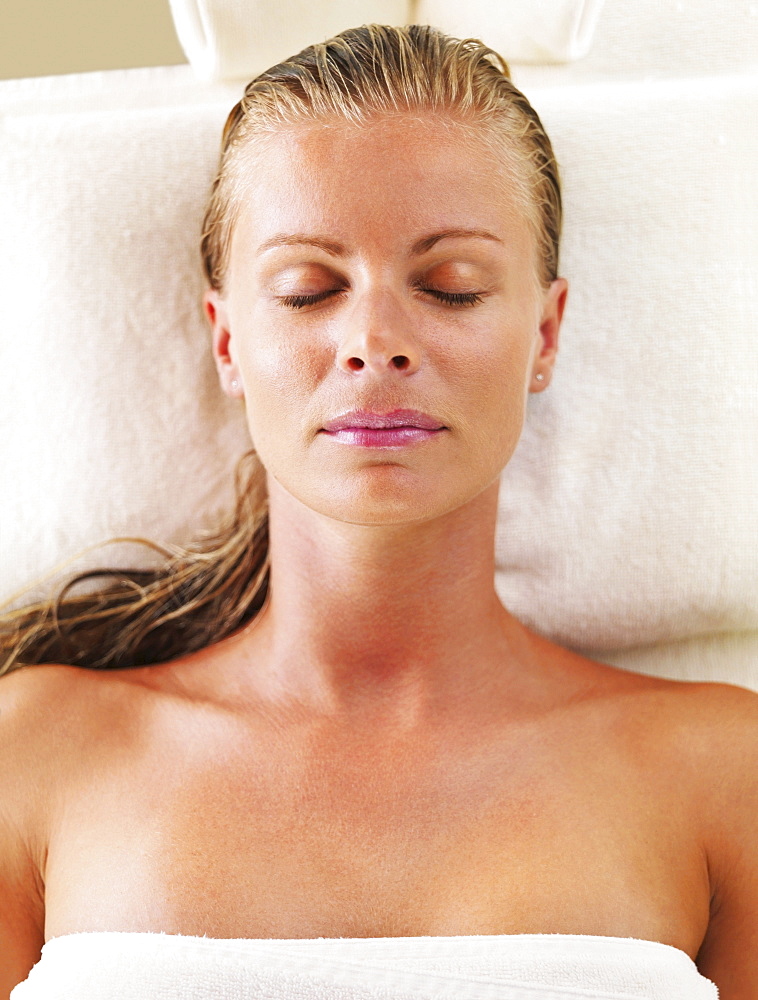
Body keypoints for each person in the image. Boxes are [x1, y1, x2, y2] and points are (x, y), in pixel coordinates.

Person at [0, 22, 755, 1000]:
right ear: (226, 342)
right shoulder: (39, 752)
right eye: (309, 289)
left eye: (449, 287)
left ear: (543, 331)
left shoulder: (717, 772)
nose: (373, 340)